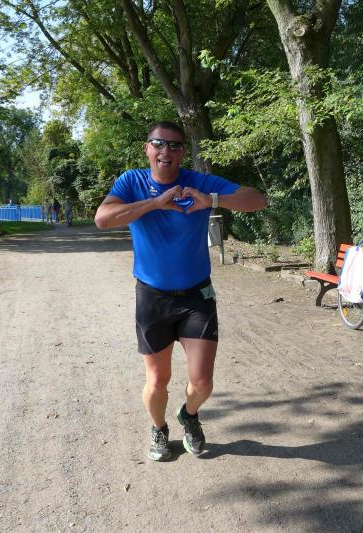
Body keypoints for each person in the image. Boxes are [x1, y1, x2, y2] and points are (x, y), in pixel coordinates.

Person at [95, 121, 267, 461]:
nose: (167, 151)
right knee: (157, 380)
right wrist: (155, 203)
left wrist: (211, 200)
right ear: (147, 148)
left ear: (183, 152)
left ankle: (188, 415)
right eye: (159, 143)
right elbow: (103, 218)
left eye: (175, 145)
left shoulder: (199, 182)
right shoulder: (131, 181)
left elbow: (257, 200)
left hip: (196, 296)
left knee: (202, 383)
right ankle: (159, 429)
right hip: (153, 297)